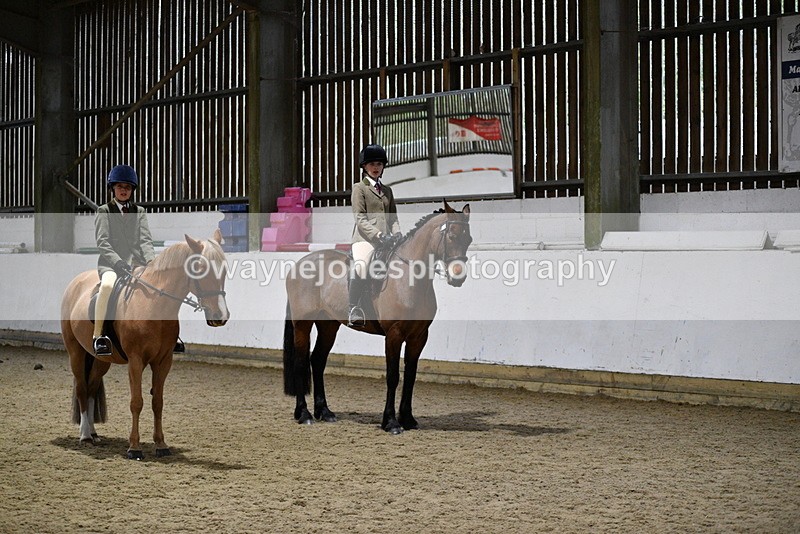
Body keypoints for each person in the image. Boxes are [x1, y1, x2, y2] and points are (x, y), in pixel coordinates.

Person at [92, 164, 156, 356]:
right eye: (120, 187)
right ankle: (99, 336)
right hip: (112, 264)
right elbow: (102, 242)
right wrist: (118, 262)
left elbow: (145, 240)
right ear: (112, 188)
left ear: (132, 190)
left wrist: (152, 263)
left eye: (127, 187)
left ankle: (168, 335)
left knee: (157, 287)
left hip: (136, 263)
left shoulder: (140, 212)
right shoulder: (104, 211)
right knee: (107, 287)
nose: (123, 191)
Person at [348, 144, 401, 327]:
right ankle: (354, 307)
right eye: (372, 164)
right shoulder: (359, 188)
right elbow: (360, 218)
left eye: (379, 164)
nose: (376, 167)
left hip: (387, 239)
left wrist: (398, 234)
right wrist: (377, 234)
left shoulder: (387, 190)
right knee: (362, 267)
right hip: (365, 239)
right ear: (364, 166)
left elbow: (393, 218)